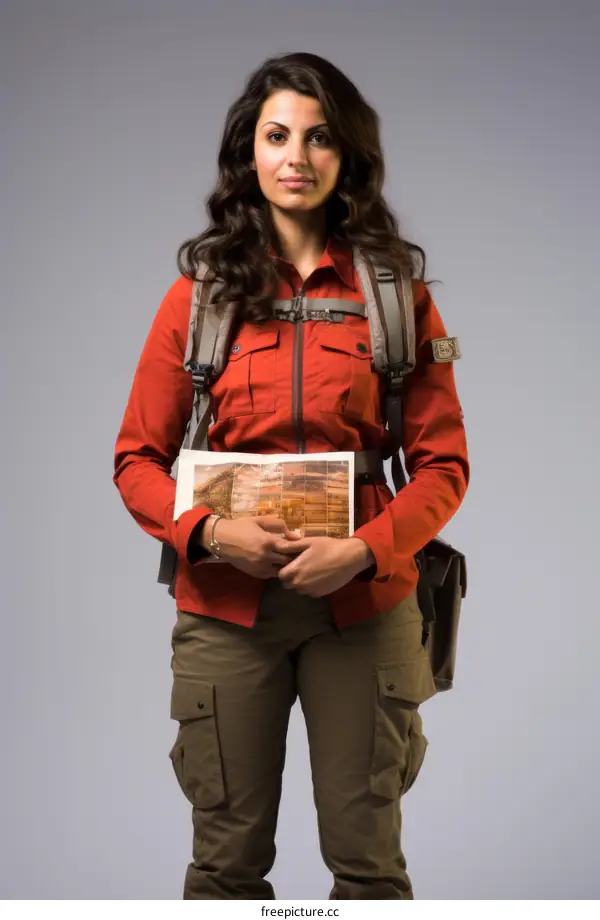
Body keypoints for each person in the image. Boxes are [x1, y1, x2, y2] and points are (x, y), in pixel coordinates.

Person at [113, 51, 469, 900]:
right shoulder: (197, 296)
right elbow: (136, 460)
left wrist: (365, 551)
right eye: (277, 136)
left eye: (319, 139)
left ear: (347, 159)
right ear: (250, 154)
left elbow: (444, 465)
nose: (296, 158)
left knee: (370, 866)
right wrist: (211, 532)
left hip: (364, 605)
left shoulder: (396, 297)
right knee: (224, 868)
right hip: (227, 607)